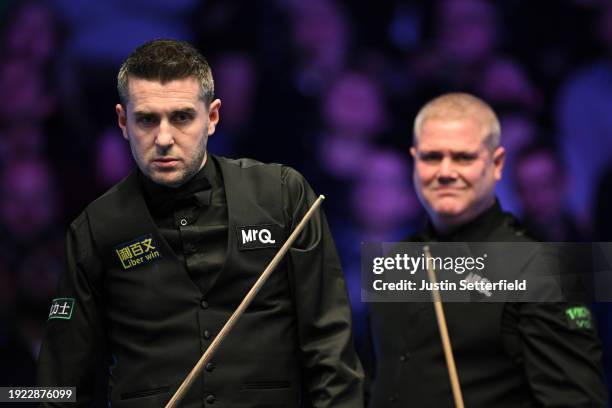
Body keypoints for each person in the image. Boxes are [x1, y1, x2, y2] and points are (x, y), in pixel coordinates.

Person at [37, 39, 363, 407]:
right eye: (147, 119)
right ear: (123, 122)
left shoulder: (283, 196)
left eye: (181, 117)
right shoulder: (93, 230)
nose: (163, 139)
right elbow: (59, 384)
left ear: (212, 118)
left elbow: (331, 350)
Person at [366, 93, 607, 407]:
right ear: (414, 162)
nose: (445, 171)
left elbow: (577, 402)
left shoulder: (546, 268)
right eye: (431, 157)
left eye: (464, 157)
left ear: (496, 164)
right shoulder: (395, 262)